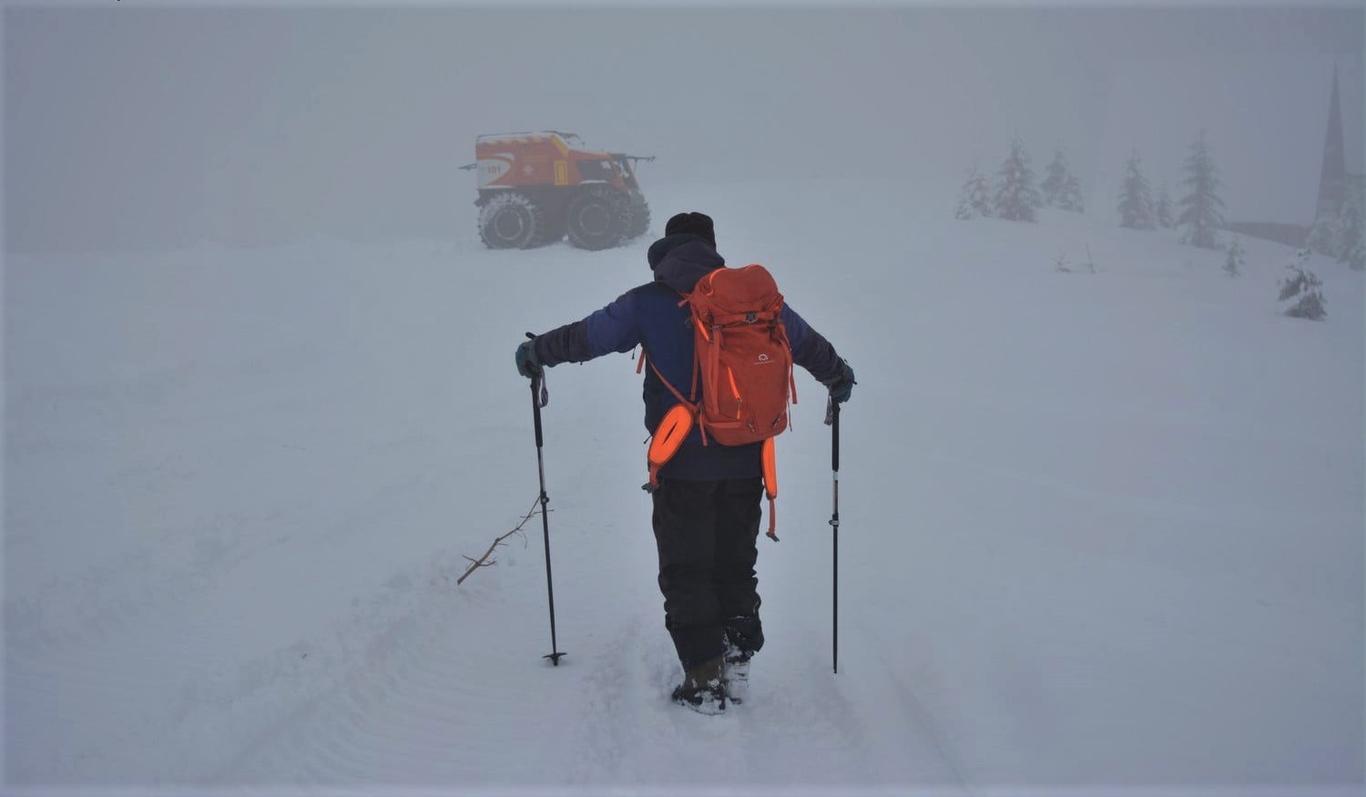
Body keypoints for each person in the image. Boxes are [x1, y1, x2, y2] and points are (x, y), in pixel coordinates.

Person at [515, 211, 854, 713]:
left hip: (680, 464)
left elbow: (588, 336)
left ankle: (704, 678)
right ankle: (738, 654)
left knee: (687, 568)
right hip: (746, 459)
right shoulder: (755, 303)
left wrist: (536, 352)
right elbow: (806, 345)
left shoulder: (648, 302)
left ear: (664, 252)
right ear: (712, 248)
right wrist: (838, 377)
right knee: (736, 562)